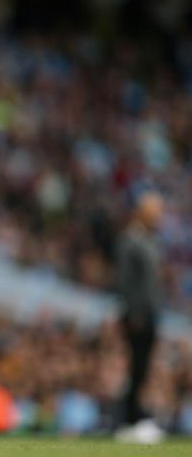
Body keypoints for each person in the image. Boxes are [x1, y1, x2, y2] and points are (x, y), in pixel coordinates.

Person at [114, 190, 165, 444]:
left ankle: (134, 419)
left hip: (150, 313)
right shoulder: (130, 240)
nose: (160, 216)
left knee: (142, 369)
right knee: (136, 367)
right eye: (156, 211)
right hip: (138, 315)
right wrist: (134, 312)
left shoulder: (147, 239)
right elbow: (125, 281)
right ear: (142, 212)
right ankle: (128, 420)